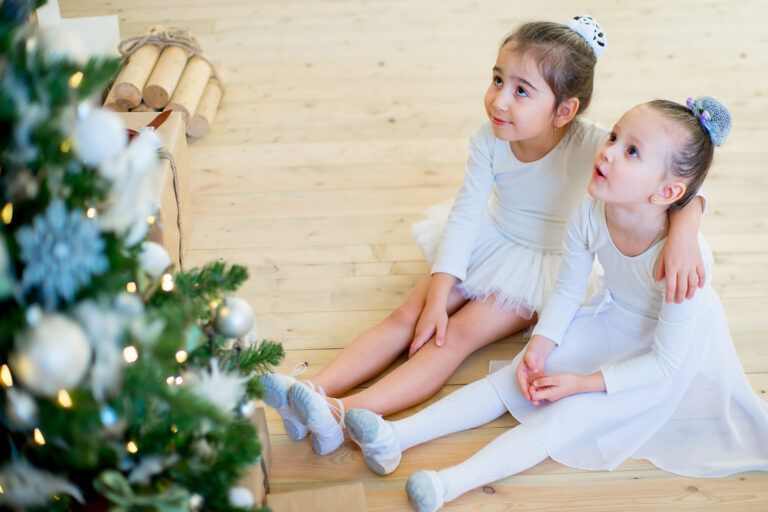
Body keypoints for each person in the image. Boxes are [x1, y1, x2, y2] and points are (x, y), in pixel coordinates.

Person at [260, 15, 706, 456]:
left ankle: (338, 414)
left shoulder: (595, 145)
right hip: (489, 239)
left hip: (543, 264)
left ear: (564, 111)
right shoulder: (487, 140)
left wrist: (685, 229)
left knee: (452, 336)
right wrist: (438, 293)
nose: (500, 101)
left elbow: (677, 188)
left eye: (521, 91)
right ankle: (309, 392)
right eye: (497, 80)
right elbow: (466, 216)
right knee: (410, 316)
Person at [343, 96, 768, 512]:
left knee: (565, 414)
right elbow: (567, 290)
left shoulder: (685, 263)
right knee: (519, 376)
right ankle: (395, 437)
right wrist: (541, 345)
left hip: (658, 358)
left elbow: (664, 363)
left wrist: (582, 383)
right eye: (615, 136)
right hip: (614, 316)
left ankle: (447, 485)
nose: (609, 152)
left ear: (666, 192)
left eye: (632, 151)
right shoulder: (590, 211)